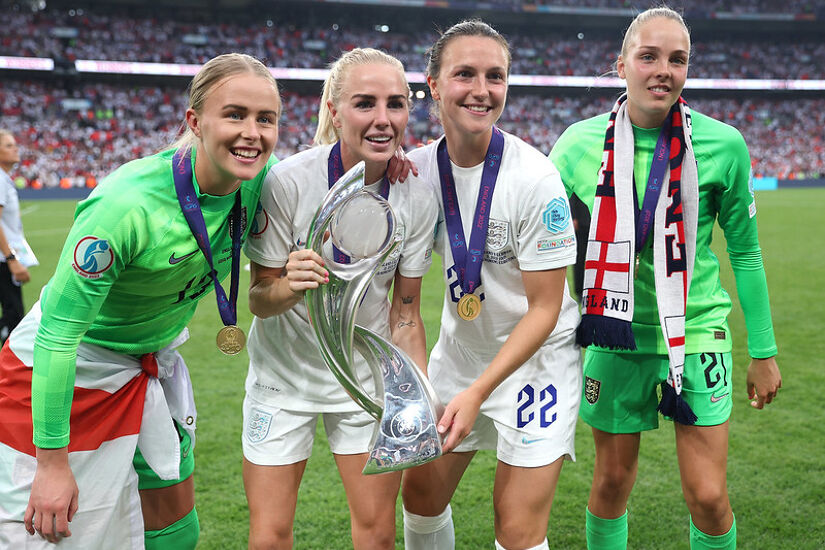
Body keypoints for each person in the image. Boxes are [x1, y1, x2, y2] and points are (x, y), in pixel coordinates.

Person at [0, 53, 281, 549]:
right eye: (235, 114)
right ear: (195, 122)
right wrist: (51, 463)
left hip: (146, 367)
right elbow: (58, 335)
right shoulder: (126, 205)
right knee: (47, 533)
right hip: (65, 368)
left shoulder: (260, 176)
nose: (252, 133)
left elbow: (328, 165)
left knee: (176, 529)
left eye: (266, 119)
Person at [549, 7, 783, 550]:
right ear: (622, 64)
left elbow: (745, 254)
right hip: (614, 333)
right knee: (609, 484)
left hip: (697, 331)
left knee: (707, 496)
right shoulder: (576, 145)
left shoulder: (724, 145)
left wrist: (764, 351)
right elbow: (543, 248)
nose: (663, 70)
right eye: (648, 56)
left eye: (677, 60)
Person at [241, 47, 437, 550]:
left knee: (376, 535)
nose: (382, 119)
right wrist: (291, 282)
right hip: (282, 379)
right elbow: (260, 300)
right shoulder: (287, 181)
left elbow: (406, 313)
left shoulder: (414, 192)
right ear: (334, 109)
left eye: (395, 104)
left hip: (363, 383)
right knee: (269, 536)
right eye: (364, 103)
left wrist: (415, 393)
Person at [402, 20, 582, 550]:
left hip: (537, 364)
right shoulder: (413, 174)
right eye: (465, 74)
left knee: (518, 527)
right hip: (459, 358)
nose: (481, 90)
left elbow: (546, 308)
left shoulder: (535, 178)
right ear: (433, 84)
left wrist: (480, 392)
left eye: (495, 76)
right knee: (420, 497)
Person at [0, 130, 34, 343]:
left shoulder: (5, 179)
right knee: (14, 318)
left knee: (13, 316)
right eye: (8, 145)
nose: (15, 148)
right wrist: (12, 260)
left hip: (5, 258)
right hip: (3, 260)